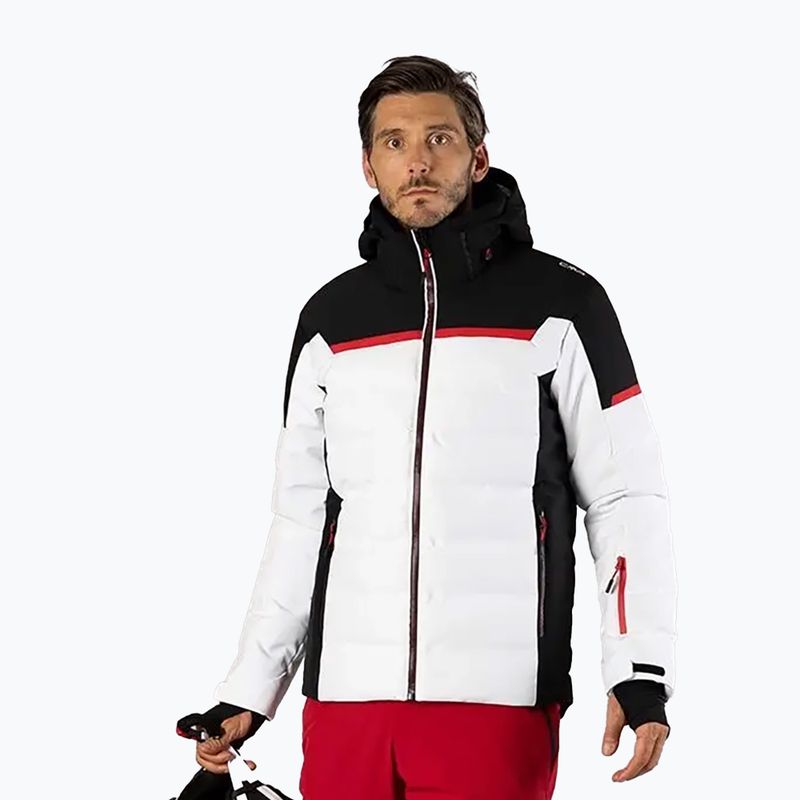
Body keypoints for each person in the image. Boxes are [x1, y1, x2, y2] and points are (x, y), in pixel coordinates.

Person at [188, 54, 677, 799]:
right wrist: (250, 689)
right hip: (346, 703)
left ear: (478, 158)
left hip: (498, 702)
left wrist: (638, 670)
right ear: (368, 165)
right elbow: (301, 518)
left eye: (438, 138)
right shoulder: (330, 320)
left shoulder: (563, 305)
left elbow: (624, 497)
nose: (416, 161)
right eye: (394, 142)